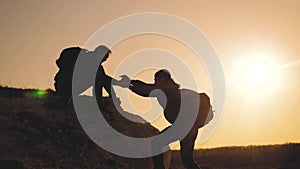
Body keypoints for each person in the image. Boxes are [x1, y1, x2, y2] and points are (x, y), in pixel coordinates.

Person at [120, 69, 213, 169]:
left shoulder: (165, 90)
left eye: (157, 78)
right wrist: (131, 82)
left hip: (182, 127)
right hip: (191, 129)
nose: (155, 81)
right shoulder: (172, 89)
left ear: (163, 78)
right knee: (187, 160)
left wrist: (129, 84)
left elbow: (146, 90)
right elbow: (148, 87)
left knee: (157, 143)